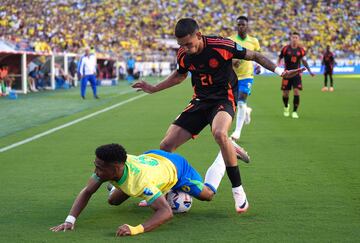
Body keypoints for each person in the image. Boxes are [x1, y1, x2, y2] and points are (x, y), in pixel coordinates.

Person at [132, 18, 304, 213]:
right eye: (182, 45)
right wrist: (154, 88)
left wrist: (281, 71)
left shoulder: (221, 45)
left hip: (224, 98)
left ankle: (238, 191)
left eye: (188, 44)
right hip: (200, 101)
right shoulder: (183, 54)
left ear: (199, 35)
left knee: (220, 134)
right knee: (165, 146)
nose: (186, 48)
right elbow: (180, 76)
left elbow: (255, 55)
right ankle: (161, 192)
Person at [50, 143, 216, 236]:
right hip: (151, 157)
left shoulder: (141, 182)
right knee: (113, 201)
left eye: (100, 168)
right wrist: (70, 220)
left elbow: (166, 213)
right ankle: (116, 185)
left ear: (116, 167)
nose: (96, 172)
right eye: (95, 165)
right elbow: (87, 191)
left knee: (208, 195)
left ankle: (225, 155)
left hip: (176, 168)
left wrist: (136, 228)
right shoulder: (113, 166)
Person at [228, 16, 261, 141]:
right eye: (239, 25)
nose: (241, 27)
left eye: (243, 25)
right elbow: (225, 58)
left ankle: (237, 132)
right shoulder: (231, 40)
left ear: (247, 26)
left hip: (247, 76)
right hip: (232, 76)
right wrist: (232, 62)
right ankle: (246, 110)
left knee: (241, 100)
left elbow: (258, 55)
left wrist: (258, 66)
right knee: (235, 103)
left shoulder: (253, 41)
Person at [278, 32, 315, 119]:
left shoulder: (301, 50)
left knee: (296, 92)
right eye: (293, 37)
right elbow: (280, 57)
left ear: (298, 39)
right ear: (290, 38)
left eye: (296, 37)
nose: (294, 39)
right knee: (285, 94)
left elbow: (304, 61)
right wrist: (278, 67)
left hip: (297, 74)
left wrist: (310, 71)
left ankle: (294, 111)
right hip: (286, 74)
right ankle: (286, 106)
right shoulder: (285, 49)